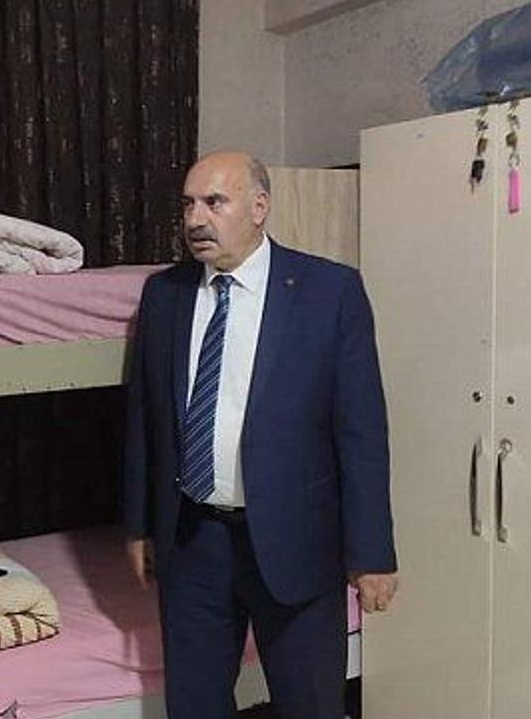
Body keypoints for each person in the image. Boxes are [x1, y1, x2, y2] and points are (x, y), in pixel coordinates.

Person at [123, 151, 398, 719]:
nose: (196, 219)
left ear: (259, 207)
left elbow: (362, 433)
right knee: (195, 705)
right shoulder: (165, 294)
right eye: (188, 205)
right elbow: (144, 419)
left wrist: (372, 554)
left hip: (298, 540)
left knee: (311, 703)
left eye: (214, 203)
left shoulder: (329, 291)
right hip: (194, 541)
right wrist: (140, 525)